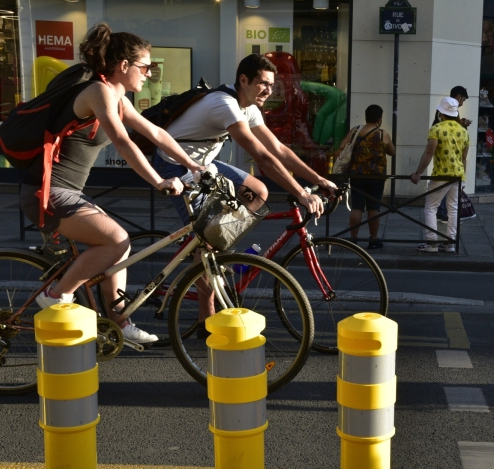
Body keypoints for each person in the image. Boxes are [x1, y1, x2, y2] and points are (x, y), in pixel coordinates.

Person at [19, 23, 204, 343]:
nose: (148, 74)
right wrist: (159, 180)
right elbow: (122, 142)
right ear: (124, 66)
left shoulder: (116, 96)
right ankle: (56, 294)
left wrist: (192, 165)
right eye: (145, 66)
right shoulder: (98, 91)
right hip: (47, 193)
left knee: (121, 249)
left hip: (68, 192)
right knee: (117, 240)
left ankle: (119, 322)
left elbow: (156, 134)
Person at [153, 53, 335, 336]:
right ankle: (206, 316)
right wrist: (300, 192)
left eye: (272, 85)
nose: (268, 90)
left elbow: (279, 150)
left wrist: (318, 179)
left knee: (258, 191)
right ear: (243, 80)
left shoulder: (249, 107)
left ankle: (215, 242)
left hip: (204, 163)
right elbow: (261, 156)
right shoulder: (224, 104)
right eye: (263, 83)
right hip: (174, 164)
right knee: (207, 244)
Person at [411, 97, 469, 253]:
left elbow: (429, 153)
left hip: (441, 175)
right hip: (457, 175)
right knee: (453, 209)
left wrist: (418, 173)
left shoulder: (436, 129)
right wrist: (464, 178)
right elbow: (464, 158)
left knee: (430, 208)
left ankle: (431, 243)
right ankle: (450, 243)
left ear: (441, 113)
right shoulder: (463, 131)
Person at [336, 104, 395, 249]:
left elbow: (342, 147)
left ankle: (353, 239)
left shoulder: (355, 131)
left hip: (357, 175)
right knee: (374, 208)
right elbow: (392, 151)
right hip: (376, 178)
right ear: (379, 119)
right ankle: (373, 240)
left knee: (357, 207)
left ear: (366, 116)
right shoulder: (382, 134)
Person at [433, 86, 471, 222]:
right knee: (440, 203)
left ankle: (442, 214)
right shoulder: (448, 111)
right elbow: (454, 129)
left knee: (443, 191)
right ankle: (442, 213)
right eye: (463, 100)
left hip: (444, 155)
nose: (462, 103)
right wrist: (464, 126)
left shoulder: (443, 110)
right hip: (449, 157)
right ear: (459, 96)